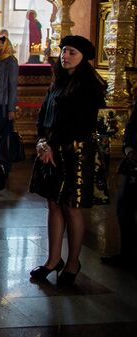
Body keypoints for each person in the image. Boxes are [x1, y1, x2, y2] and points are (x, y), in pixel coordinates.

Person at [30, 35, 108, 286]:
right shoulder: (58, 82)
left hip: (75, 151)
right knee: (53, 204)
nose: (65, 55)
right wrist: (42, 141)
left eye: (72, 52)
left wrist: (50, 145)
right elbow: (44, 114)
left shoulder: (89, 87)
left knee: (71, 207)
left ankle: (73, 262)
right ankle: (53, 260)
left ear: (83, 57)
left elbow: (80, 123)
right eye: (64, 51)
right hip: (50, 150)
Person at [101, 101, 137, 269]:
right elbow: (131, 127)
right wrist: (129, 150)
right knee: (124, 209)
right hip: (133, 165)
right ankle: (127, 253)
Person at [0, 36, 19, 173]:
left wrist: (11, 109)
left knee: (5, 137)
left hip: (4, 106)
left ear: (5, 47)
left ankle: (5, 165)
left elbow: (12, 87)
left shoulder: (11, 62)